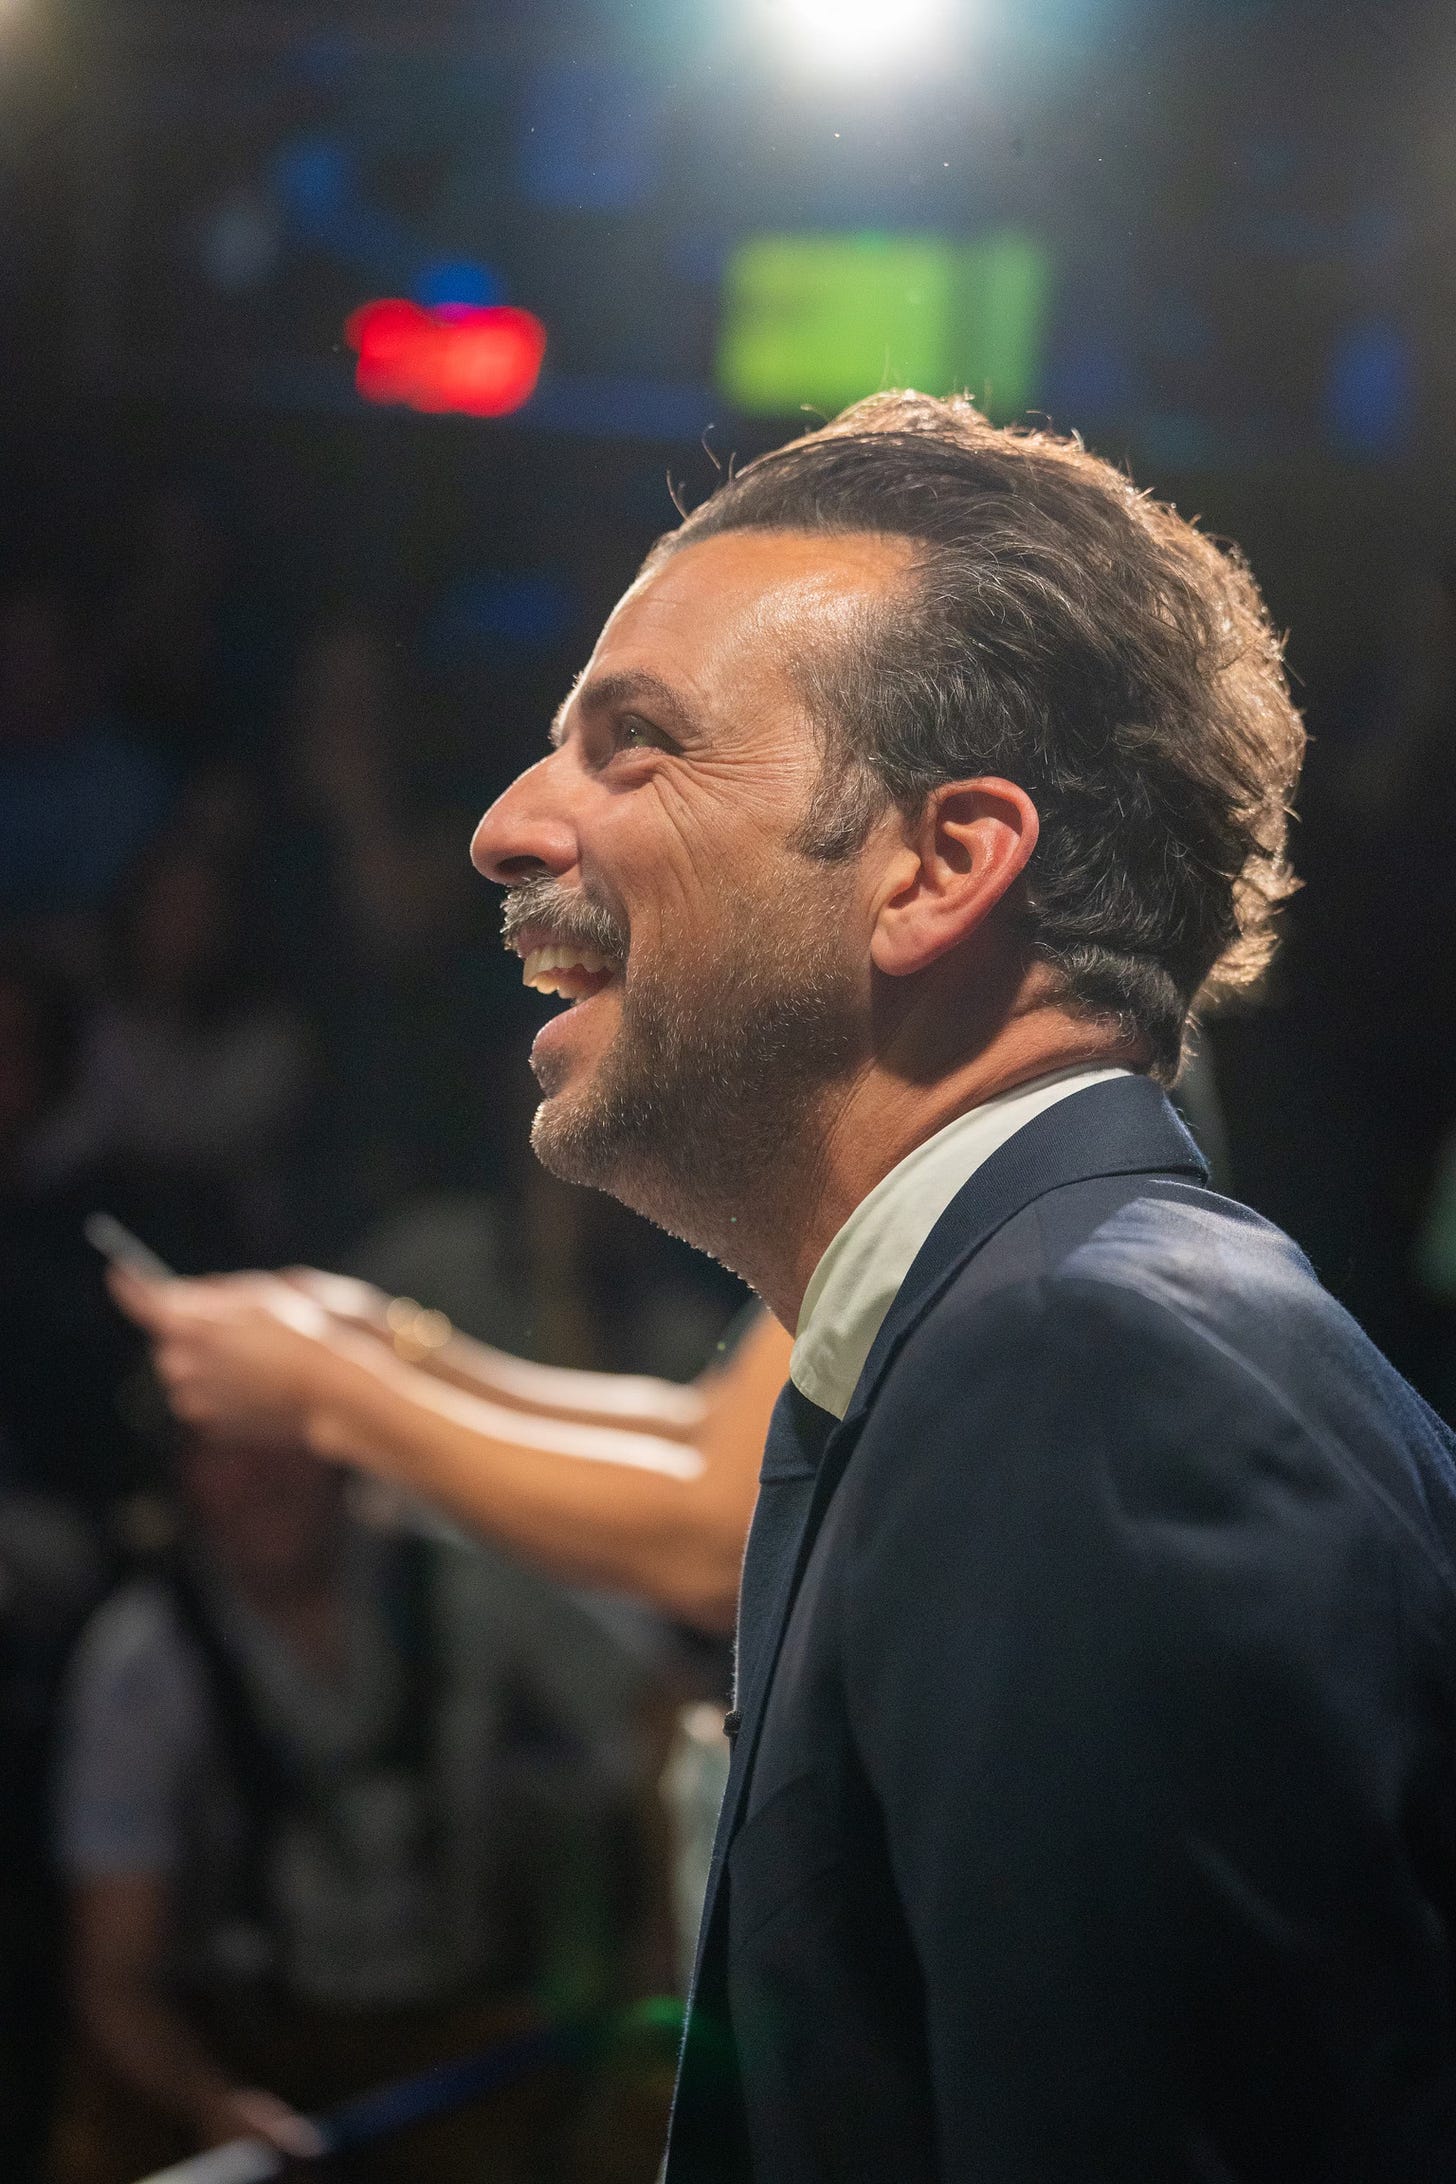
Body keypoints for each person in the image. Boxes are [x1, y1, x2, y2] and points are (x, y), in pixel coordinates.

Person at [124, 388, 1456, 2182]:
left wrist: (351, 1386)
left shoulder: (1090, 1378)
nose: (507, 824)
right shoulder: (1021, 1332)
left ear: (940, 864)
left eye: (636, 744)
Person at [53, 1423, 653, 2184]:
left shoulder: (467, 1583)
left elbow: (662, 1715)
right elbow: (114, 1973)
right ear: (180, 1476)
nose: (262, 1478)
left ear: (339, 1448)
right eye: (223, 1450)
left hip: (479, 2043)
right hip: (251, 2060)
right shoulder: (141, 1660)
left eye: (281, 1439)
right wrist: (214, 2103)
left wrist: (648, 1953)